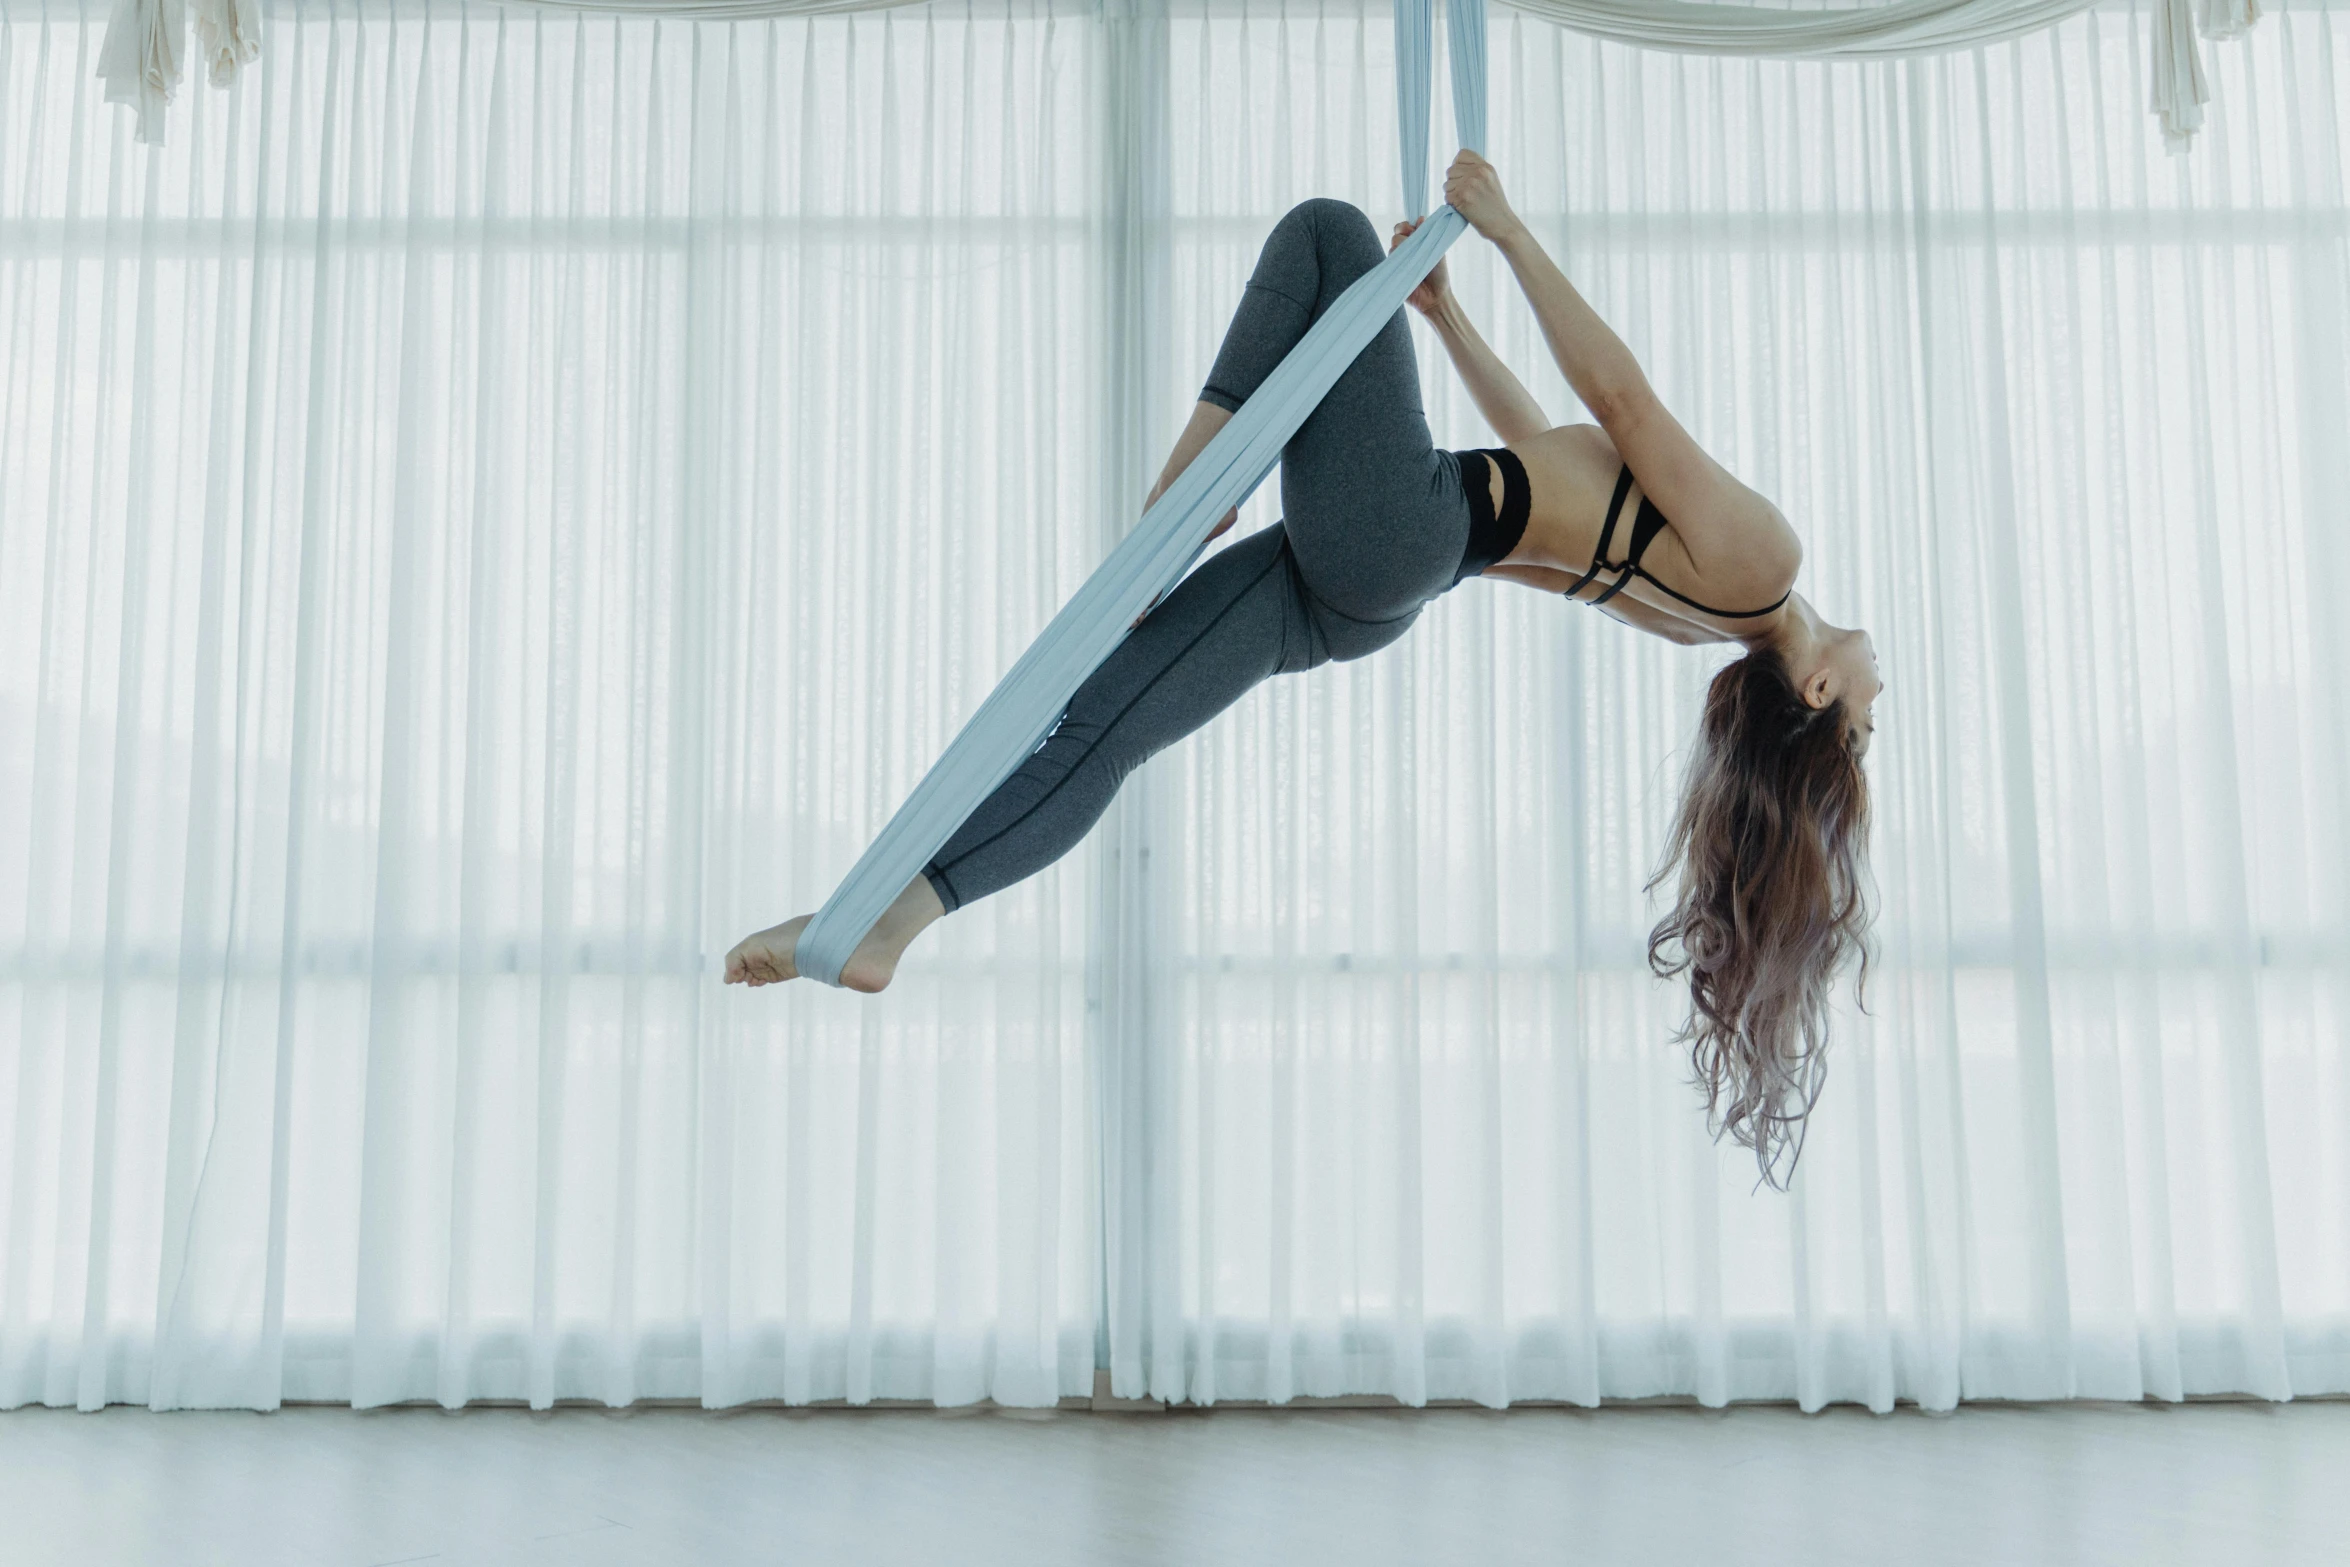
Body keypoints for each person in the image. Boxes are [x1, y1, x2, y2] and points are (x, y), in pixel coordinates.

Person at [726, 150, 1880, 1187]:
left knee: (1327, 231)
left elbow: (1618, 403)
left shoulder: (1762, 565)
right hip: (1384, 584)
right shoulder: (1701, 617)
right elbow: (1548, 460)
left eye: (1865, 728)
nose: (1880, 707)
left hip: (1399, 531)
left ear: (1815, 691)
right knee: (1102, 725)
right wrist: (1447, 320)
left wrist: (1512, 230)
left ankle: (1190, 494)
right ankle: (892, 919)